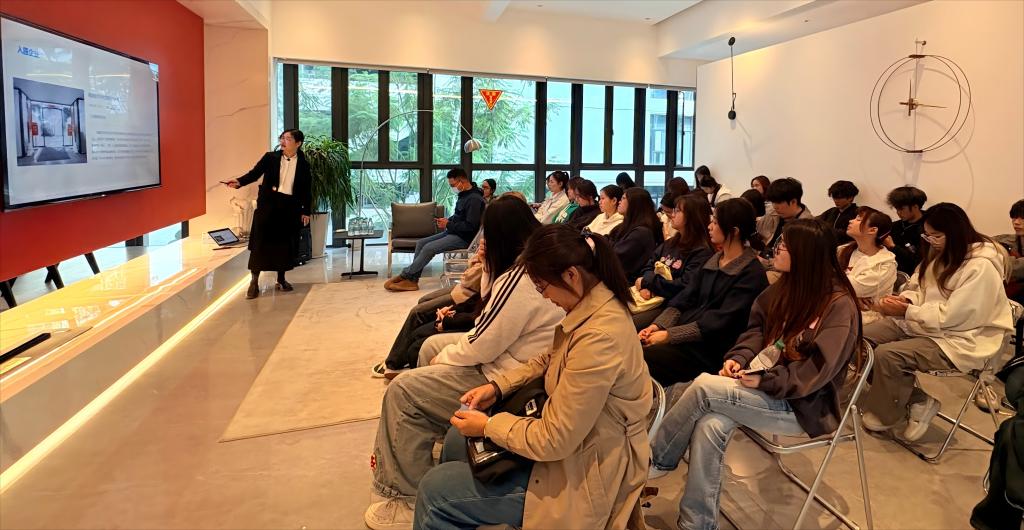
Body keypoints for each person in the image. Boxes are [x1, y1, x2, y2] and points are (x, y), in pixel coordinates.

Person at [414, 224, 652, 530]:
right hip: (574, 446)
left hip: (585, 471)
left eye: (542, 287)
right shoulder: (590, 307)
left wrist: (488, 425)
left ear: (571, 275)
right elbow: (548, 358)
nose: (545, 297)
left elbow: (555, 439)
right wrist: (496, 388)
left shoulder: (600, 336)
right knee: (456, 440)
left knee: (435, 492)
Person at [649, 219, 862, 530]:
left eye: (785, 246)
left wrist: (765, 380)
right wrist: (739, 358)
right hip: (764, 385)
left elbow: (815, 372)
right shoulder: (786, 287)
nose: (776, 250)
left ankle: (655, 460)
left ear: (806, 254)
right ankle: (697, 523)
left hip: (802, 404)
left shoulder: (838, 305)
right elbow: (756, 330)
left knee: (704, 386)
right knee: (711, 424)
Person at [365, 198, 562, 530]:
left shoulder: (525, 277)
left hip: (505, 374)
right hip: (507, 363)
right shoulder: (528, 268)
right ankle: (430, 441)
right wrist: (485, 265)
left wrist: (446, 359)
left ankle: (405, 496)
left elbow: (486, 339)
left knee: (403, 392)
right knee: (429, 345)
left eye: (487, 233)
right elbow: (489, 313)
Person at [860, 203, 1013, 442]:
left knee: (888, 355)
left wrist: (908, 310)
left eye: (937, 236)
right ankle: (917, 400)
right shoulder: (939, 255)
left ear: (957, 233)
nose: (931, 241)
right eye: (927, 235)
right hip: (924, 322)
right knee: (858, 340)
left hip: (961, 337)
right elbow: (918, 287)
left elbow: (957, 316)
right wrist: (905, 299)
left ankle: (889, 411)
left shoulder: (981, 265)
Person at [639, 198, 769, 387]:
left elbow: (719, 323)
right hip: (686, 337)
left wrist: (668, 335)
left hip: (710, 350)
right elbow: (684, 298)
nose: (709, 226)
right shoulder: (714, 260)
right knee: (635, 345)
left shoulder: (750, 274)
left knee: (642, 356)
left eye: (715, 222)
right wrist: (657, 326)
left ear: (734, 231)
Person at [372, 241, 486, 379]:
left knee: (418, 312)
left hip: (468, 293)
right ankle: (404, 353)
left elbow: (468, 279)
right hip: (464, 288)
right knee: (423, 300)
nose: (482, 242)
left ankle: (394, 363)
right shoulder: (488, 246)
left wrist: (478, 260)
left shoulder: (498, 255)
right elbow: (469, 270)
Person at [225, 129, 312, 300]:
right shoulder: (270, 157)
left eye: (288, 139)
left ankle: (281, 279)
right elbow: (254, 173)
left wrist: (305, 211)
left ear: (298, 143)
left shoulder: (304, 164)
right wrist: (239, 182)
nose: (283, 141)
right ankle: (254, 282)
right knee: (260, 243)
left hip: (290, 207)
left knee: (284, 244)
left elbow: (306, 189)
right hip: (268, 204)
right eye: (282, 138)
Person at [385, 168, 485, 292]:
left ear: (461, 181)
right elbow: (460, 216)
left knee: (429, 248)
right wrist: (448, 221)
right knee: (421, 243)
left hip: (464, 238)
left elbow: (470, 227)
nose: (452, 188)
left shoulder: (474, 199)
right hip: (454, 232)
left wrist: (448, 224)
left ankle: (406, 275)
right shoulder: (464, 195)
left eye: (453, 185)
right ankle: (412, 281)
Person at [632, 194, 715, 330]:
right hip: (650, 297)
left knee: (629, 323)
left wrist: (648, 283)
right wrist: (646, 285)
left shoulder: (702, 252)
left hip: (671, 306)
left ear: (692, 216)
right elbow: (648, 266)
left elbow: (684, 286)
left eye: (678, 211)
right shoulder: (671, 243)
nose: (672, 215)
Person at [838, 206, 897, 325]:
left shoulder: (885, 263)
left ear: (872, 230)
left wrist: (850, 294)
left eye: (859, 219)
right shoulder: (843, 250)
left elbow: (852, 287)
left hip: (867, 319)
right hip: (841, 309)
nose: (851, 221)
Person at [610, 187, 663, 282]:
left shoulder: (641, 233)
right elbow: (608, 239)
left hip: (626, 281)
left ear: (634, 203)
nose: (619, 202)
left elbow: (615, 256)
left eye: (623, 198)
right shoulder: (626, 225)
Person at [757, 177, 814, 263]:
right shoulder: (773, 213)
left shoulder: (806, 226)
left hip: (778, 266)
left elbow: (797, 262)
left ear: (793, 201)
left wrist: (766, 262)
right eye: (773, 202)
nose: (775, 206)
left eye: (778, 202)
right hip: (762, 257)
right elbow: (759, 233)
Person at [884, 185, 928, 274]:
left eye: (901, 209)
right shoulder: (895, 226)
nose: (898, 212)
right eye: (896, 209)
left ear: (915, 207)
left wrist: (893, 247)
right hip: (891, 270)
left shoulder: (929, 229)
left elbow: (918, 261)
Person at [995, 199, 1024, 304]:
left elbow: (1013, 268)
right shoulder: (1005, 239)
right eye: (1014, 218)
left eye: (1023, 218)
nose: (1016, 222)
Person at [817, 180, 860, 246]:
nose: (836, 201)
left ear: (850, 198)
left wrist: (827, 231)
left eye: (839, 198)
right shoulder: (831, 211)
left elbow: (849, 234)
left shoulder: (857, 213)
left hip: (846, 248)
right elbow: (816, 222)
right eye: (834, 197)